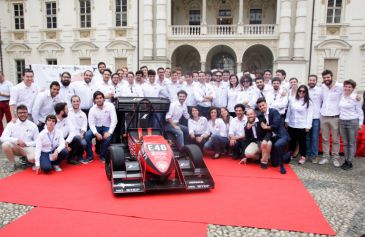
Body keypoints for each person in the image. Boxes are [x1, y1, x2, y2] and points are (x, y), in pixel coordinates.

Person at [1, 105, 39, 172]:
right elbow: (2, 138)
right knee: (5, 145)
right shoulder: (11, 124)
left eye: (24, 112)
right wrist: (16, 141)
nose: (22, 114)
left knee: (33, 159)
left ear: (27, 113)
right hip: (16, 147)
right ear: (17, 114)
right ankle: (12, 163)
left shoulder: (33, 125)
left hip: (28, 147)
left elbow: (37, 141)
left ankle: (26, 159)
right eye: (20, 113)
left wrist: (26, 143)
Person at [256, 97, 289, 174]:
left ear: (266, 104)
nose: (262, 107)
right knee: (274, 163)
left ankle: (282, 167)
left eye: (263, 105)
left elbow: (276, 125)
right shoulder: (262, 116)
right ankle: (286, 156)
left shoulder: (274, 111)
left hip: (281, 135)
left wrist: (266, 127)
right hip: (273, 138)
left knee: (278, 145)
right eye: (260, 106)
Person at [84, 91, 117, 163]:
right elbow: (91, 124)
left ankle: (103, 156)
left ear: (104, 99)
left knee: (108, 138)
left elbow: (114, 120)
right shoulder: (92, 109)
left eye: (100, 98)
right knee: (87, 135)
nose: (99, 100)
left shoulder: (110, 106)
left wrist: (109, 132)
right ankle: (90, 156)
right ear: (94, 100)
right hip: (97, 127)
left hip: (107, 127)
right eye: (97, 98)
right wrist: (96, 133)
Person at [319, 69, 343, 166]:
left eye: (328, 77)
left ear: (332, 76)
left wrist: (356, 97)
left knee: (335, 139)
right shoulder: (322, 87)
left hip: (335, 117)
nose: (326, 79)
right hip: (323, 116)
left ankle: (335, 158)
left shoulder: (340, 86)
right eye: (324, 78)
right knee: (325, 139)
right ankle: (325, 157)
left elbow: (347, 94)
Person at [285, 85, 313, 164]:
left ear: (306, 93)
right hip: (292, 124)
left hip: (302, 125)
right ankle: (290, 154)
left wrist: (308, 126)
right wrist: (287, 120)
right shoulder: (293, 100)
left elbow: (310, 115)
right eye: (300, 91)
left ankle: (303, 156)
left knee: (302, 142)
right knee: (292, 141)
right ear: (298, 91)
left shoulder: (308, 102)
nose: (301, 92)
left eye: (303, 91)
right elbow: (289, 111)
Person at [338, 79, 363, 170]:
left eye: (350, 87)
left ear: (353, 88)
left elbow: (360, 112)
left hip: (353, 122)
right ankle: (346, 160)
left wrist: (360, 124)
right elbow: (336, 84)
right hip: (342, 121)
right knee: (345, 143)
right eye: (346, 86)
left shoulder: (355, 97)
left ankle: (350, 162)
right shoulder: (341, 96)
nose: (347, 88)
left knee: (351, 143)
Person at [306, 74, 322, 163]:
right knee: (307, 137)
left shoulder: (320, 90)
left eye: (313, 80)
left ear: (316, 81)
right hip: (306, 117)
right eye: (310, 80)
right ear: (308, 81)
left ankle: (314, 155)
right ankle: (307, 154)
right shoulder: (305, 90)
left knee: (315, 137)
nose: (311, 81)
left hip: (316, 117)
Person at [68, 95, 88, 163]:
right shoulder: (68, 113)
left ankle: (79, 155)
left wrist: (82, 134)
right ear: (71, 102)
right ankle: (71, 157)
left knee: (84, 143)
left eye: (77, 101)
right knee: (76, 138)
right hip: (69, 135)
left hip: (79, 134)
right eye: (74, 101)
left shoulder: (83, 114)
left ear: (80, 102)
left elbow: (84, 126)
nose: (76, 103)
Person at [0, 71, 13, 135]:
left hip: (7, 102)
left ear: (3, 76)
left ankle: (10, 133)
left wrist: (2, 94)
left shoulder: (9, 84)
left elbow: (12, 94)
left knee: (9, 119)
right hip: (0, 102)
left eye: (0, 77)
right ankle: (1, 133)